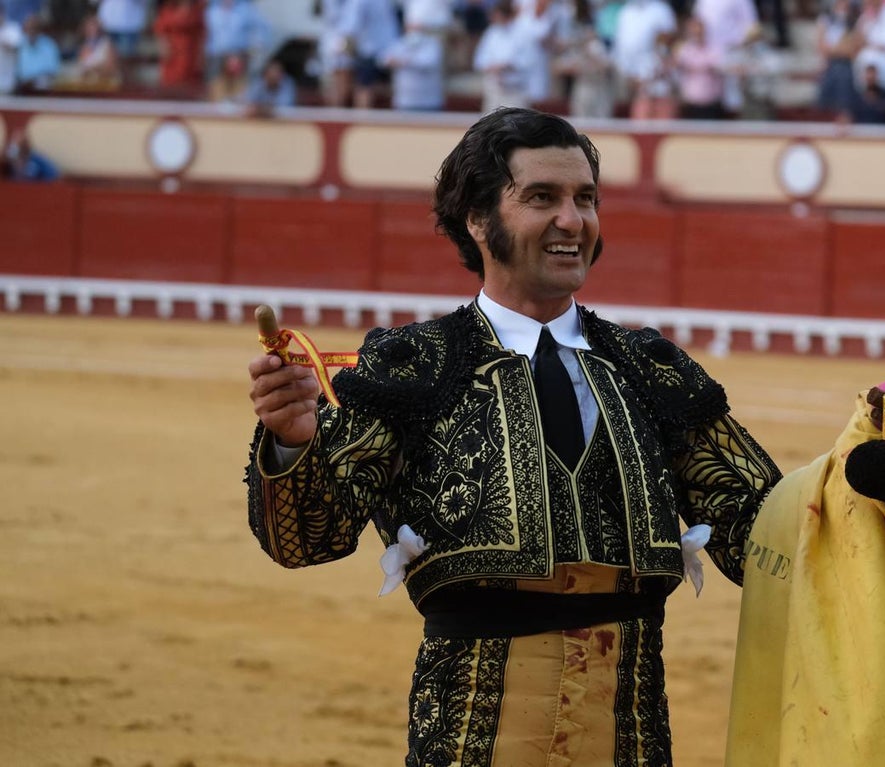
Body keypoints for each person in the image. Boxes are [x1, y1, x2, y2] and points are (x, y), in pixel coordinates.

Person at [244, 107, 786, 765]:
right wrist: (293, 443)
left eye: (585, 198)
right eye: (542, 198)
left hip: (632, 741)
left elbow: (766, 530)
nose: (572, 220)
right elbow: (307, 538)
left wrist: (869, 465)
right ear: (478, 218)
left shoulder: (650, 370)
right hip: (471, 742)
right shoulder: (414, 366)